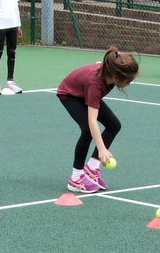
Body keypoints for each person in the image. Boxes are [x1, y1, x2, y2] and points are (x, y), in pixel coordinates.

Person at [57, 47, 139, 193]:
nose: (129, 82)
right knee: (87, 130)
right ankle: (75, 178)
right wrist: (102, 149)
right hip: (70, 95)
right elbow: (92, 121)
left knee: (114, 125)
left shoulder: (109, 71)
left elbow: (98, 64)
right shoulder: (95, 84)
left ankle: (92, 168)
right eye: (128, 79)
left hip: (84, 92)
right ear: (115, 75)